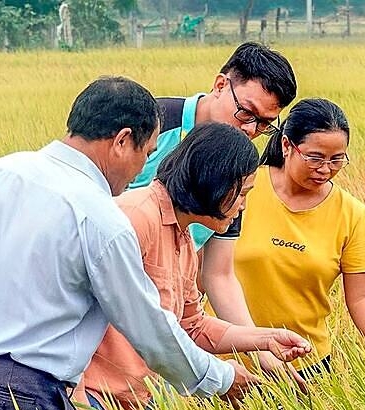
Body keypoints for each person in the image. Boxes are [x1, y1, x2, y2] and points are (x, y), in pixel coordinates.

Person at [0, 76, 309, 410]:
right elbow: (148, 328)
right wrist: (221, 379)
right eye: (145, 153)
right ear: (122, 141)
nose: (143, 169)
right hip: (19, 394)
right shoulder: (102, 217)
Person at [79, 123, 310, 410]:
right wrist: (76, 397)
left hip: (138, 405)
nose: (243, 206)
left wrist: (266, 339)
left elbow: (193, 326)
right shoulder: (135, 217)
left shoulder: (185, 240)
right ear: (214, 182)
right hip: (95, 402)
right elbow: (74, 308)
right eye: (242, 193)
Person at [129, 42, 301, 385]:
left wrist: (264, 353)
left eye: (264, 124)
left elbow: (218, 275)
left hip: (168, 320)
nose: (250, 130)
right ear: (221, 85)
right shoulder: (152, 125)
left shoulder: (236, 168)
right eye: (246, 113)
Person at [233, 98, 365, 380]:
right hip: (230, 363)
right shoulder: (243, 188)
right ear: (286, 145)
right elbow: (200, 270)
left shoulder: (351, 214)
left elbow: (363, 296)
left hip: (306, 365)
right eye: (315, 158)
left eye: (336, 160)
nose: (325, 169)